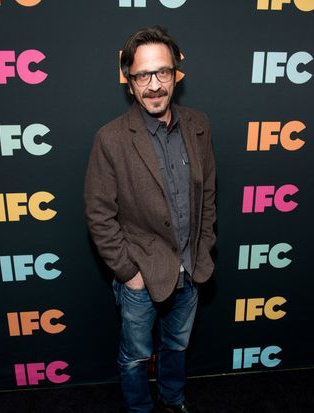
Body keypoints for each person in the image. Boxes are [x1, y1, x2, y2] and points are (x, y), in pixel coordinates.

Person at [84, 26, 216, 413]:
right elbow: (99, 214)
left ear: (176, 74)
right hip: (139, 277)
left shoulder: (199, 125)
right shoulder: (110, 139)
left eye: (163, 72)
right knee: (135, 356)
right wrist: (129, 273)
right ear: (129, 81)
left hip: (190, 271)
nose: (154, 85)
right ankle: (140, 409)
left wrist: (202, 247)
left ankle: (173, 399)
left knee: (177, 346)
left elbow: (207, 195)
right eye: (143, 75)